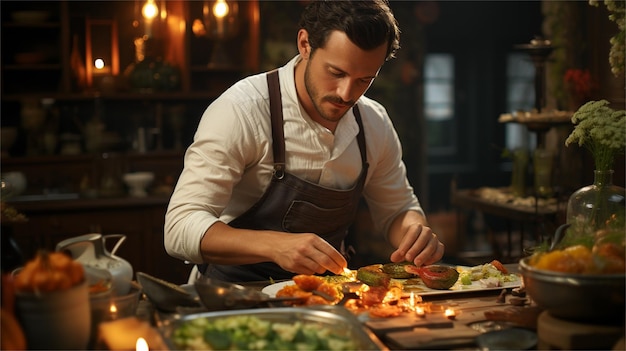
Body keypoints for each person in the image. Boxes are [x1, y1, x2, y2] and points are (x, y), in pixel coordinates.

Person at [164, 0, 444, 283]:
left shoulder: (374, 122)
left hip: (323, 297)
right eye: (336, 73)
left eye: (364, 80)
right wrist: (274, 246)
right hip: (231, 295)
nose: (346, 94)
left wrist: (415, 232)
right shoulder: (242, 110)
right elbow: (179, 228)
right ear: (305, 44)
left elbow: (397, 209)